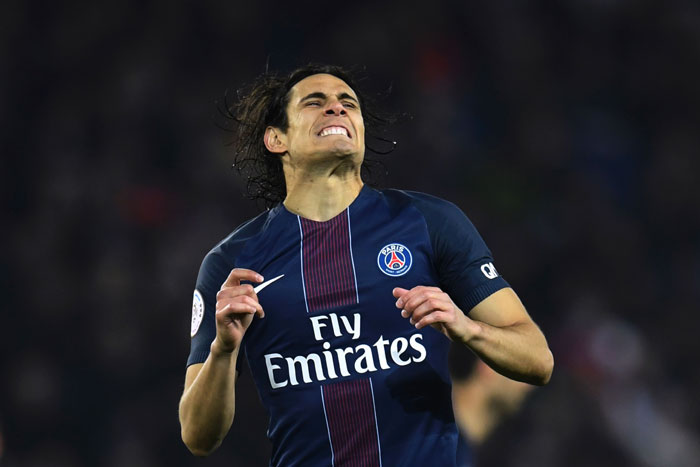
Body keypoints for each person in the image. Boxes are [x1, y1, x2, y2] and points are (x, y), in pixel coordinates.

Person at [178, 64, 553, 466]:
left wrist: (467, 328)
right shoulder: (232, 263)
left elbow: (538, 359)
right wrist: (223, 349)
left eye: (347, 104)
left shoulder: (429, 221)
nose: (337, 109)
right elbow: (198, 437)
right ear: (276, 138)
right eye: (315, 102)